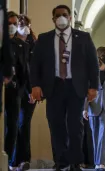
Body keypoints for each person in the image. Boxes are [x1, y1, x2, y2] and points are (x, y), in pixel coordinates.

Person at [30, 5, 99, 171]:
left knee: (75, 126)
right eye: (58, 15)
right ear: (53, 19)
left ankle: (76, 163)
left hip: (76, 87)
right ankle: (61, 163)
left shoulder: (83, 37)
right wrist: (35, 85)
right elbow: (35, 65)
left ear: (70, 18)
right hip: (53, 86)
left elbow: (93, 63)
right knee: (56, 125)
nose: (61, 18)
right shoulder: (44, 38)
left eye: (65, 15)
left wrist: (94, 86)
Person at [10, 14, 37, 171]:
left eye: (25, 23)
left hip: (30, 90)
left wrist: (34, 90)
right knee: (16, 126)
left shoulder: (33, 43)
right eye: (19, 23)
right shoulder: (13, 42)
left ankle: (23, 159)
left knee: (24, 125)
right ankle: (15, 160)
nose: (22, 25)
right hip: (19, 88)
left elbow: (34, 70)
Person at [6, 11, 31, 171]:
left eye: (15, 23)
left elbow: (24, 72)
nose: (12, 26)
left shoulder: (21, 45)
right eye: (9, 23)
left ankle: (7, 160)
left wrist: (21, 90)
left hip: (14, 92)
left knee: (13, 127)